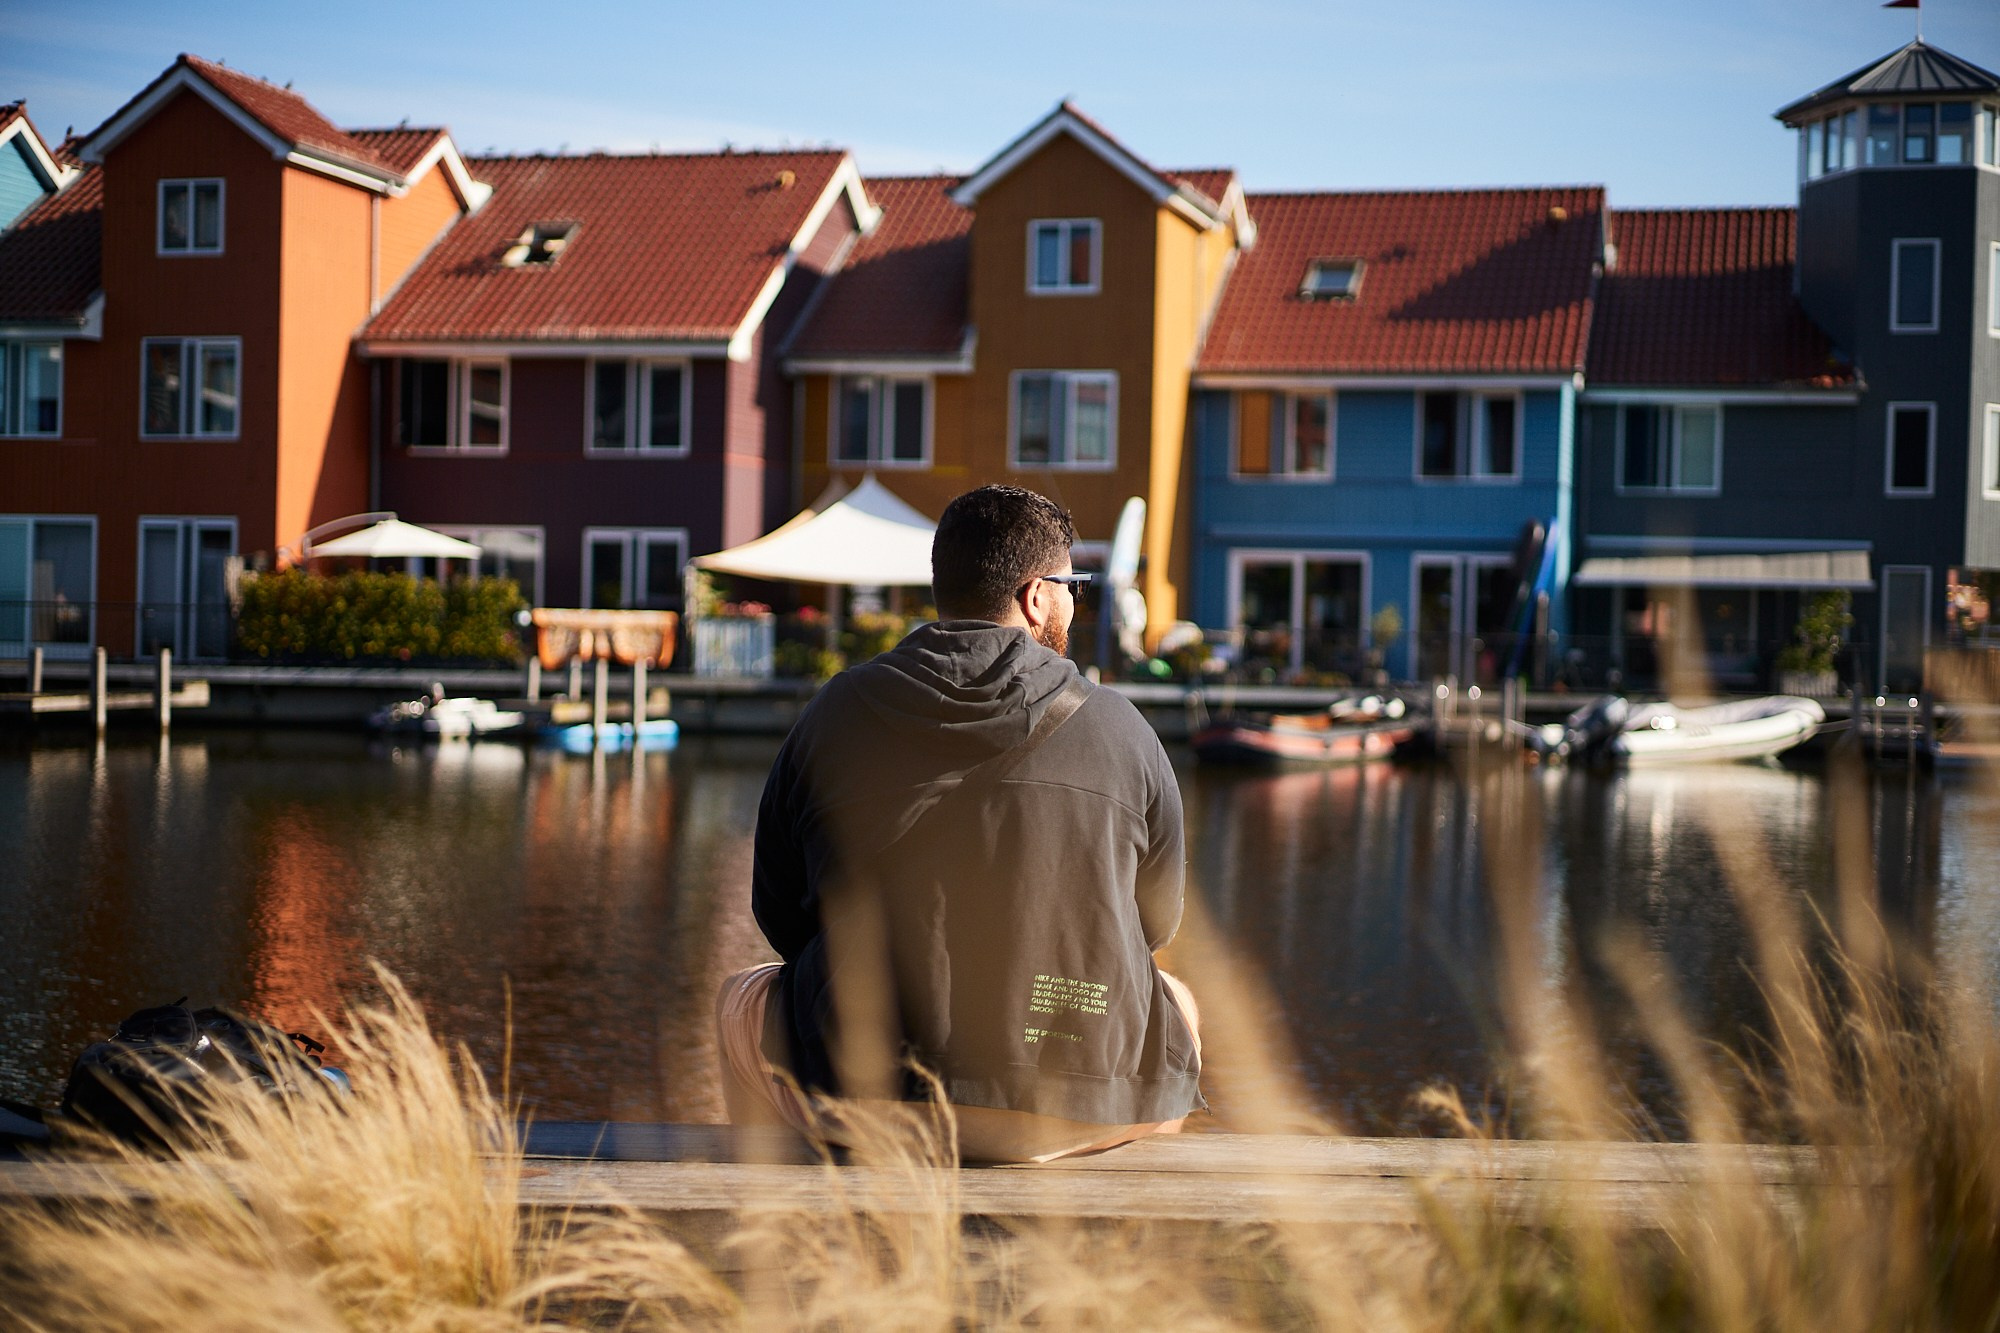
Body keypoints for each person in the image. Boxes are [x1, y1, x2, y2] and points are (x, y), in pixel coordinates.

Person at [716, 484, 1202, 1162]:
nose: (1074, 602)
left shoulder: (835, 712)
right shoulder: (1124, 726)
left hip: (870, 1108)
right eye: (1072, 586)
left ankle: (779, 1229)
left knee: (741, 995)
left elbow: (781, 918)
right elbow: (1153, 927)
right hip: (1073, 1115)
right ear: (1036, 595)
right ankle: (1101, 1233)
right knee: (1177, 999)